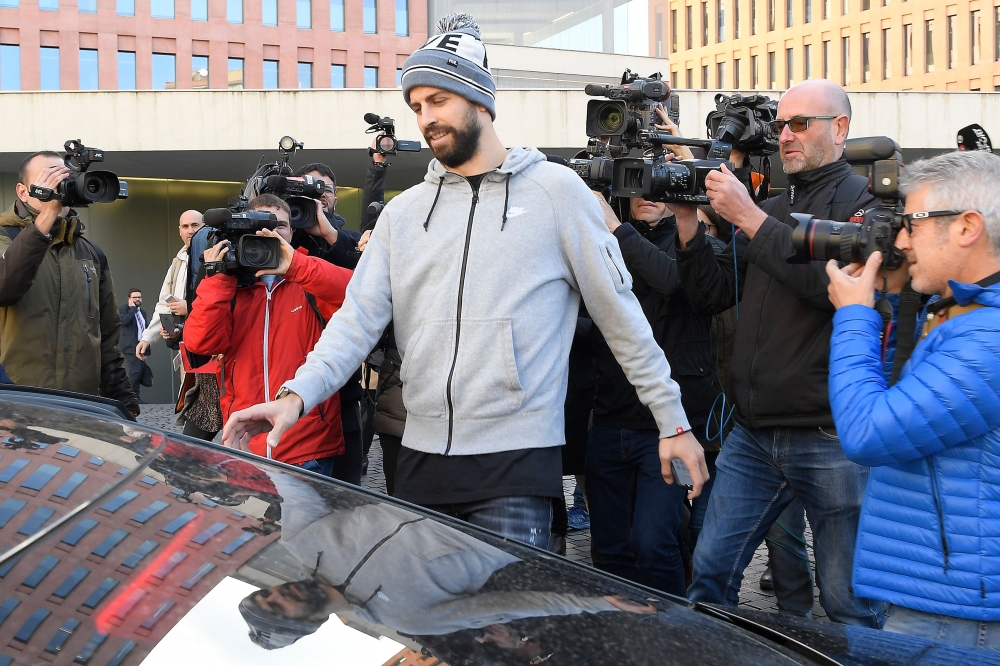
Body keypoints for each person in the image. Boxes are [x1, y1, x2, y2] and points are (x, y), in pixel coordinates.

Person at [221, 13, 707, 550]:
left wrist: (673, 421)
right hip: (421, 457)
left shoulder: (557, 192)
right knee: (425, 607)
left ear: (480, 99)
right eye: (416, 107)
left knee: (508, 607)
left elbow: (622, 318)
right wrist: (295, 397)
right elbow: (355, 323)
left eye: (438, 100)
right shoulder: (404, 214)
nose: (426, 118)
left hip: (518, 460)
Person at [677, 78, 882, 627]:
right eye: (781, 125)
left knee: (846, 601)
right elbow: (713, 294)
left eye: (800, 124)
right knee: (710, 574)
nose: (785, 135)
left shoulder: (866, 204)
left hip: (828, 435)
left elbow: (830, 287)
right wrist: (688, 221)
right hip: (752, 433)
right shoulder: (771, 206)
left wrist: (750, 219)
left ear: (840, 128)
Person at [826, 150, 1000, 646]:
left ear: (967, 227)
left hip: (955, 608)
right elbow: (895, 397)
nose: (901, 242)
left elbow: (867, 432)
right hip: (936, 589)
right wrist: (889, 299)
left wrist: (855, 316)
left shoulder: (988, 339)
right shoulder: (959, 313)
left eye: (912, 224)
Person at [585, 191, 722, 596]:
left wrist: (616, 228)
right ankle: (625, 628)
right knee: (609, 548)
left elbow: (673, 280)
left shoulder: (692, 241)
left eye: (653, 182)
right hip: (609, 418)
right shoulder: (601, 240)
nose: (644, 194)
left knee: (654, 542)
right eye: (634, 182)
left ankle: (672, 625)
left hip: (671, 427)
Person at [183, 194, 353, 474]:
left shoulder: (309, 274)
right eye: (258, 224)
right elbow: (201, 343)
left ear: (292, 232)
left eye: (279, 225)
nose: (268, 232)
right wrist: (218, 279)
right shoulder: (229, 284)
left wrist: (296, 267)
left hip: (307, 445)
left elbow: (356, 296)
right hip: (246, 443)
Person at [0, 151, 137, 415]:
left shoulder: (90, 253)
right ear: (22, 191)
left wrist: (124, 401)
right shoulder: (5, 238)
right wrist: (47, 216)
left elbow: (107, 334)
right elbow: (4, 287)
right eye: (49, 177)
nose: (59, 186)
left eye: (64, 178)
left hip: (78, 405)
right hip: (13, 403)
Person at [136, 210, 204, 365]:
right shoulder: (177, 263)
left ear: (205, 227)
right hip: (186, 347)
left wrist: (190, 307)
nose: (190, 230)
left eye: (195, 225)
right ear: (179, 231)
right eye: (185, 226)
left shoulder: (216, 257)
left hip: (213, 349)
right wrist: (148, 337)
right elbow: (165, 304)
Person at [119, 288, 151, 401]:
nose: (137, 299)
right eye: (134, 297)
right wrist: (132, 309)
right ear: (129, 299)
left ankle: (136, 398)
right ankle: (130, 398)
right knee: (136, 371)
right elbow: (124, 321)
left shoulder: (142, 312)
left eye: (139, 297)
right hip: (130, 347)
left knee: (139, 372)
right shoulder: (123, 309)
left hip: (141, 347)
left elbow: (145, 328)